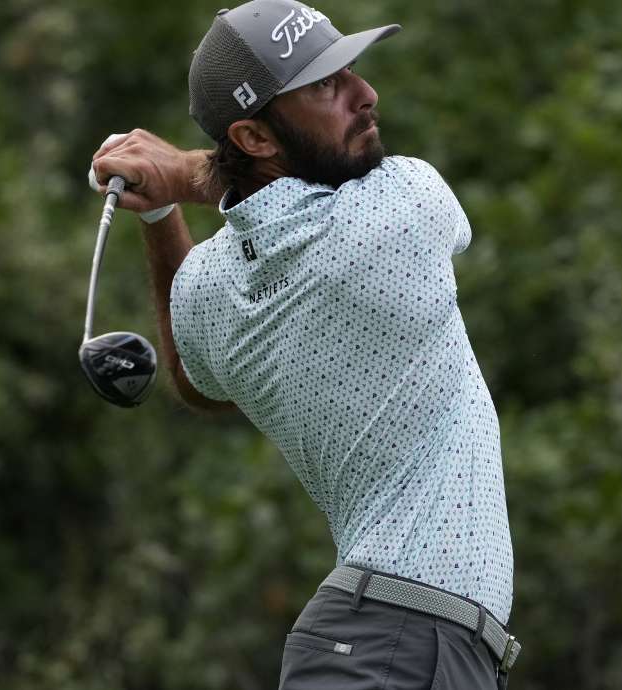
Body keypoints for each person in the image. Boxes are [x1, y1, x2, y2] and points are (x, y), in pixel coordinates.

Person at [89, 1, 521, 687]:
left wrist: (165, 210)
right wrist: (183, 178)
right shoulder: (402, 208)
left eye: (350, 72)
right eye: (326, 86)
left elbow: (196, 380)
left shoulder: (207, 285)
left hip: (388, 643)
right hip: (402, 644)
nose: (365, 94)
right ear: (255, 137)